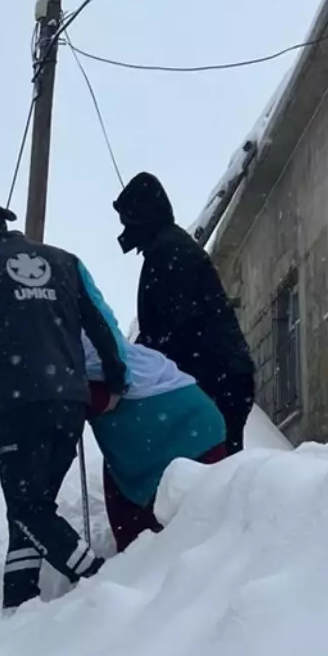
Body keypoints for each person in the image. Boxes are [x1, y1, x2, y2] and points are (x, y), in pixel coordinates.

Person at [0, 188, 128, 610]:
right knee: (34, 506)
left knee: (28, 508)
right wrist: (116, 380)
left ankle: (95, 578)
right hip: (69, 403)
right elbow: (104, 324)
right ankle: (19, 600)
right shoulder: (67, 263)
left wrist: (1, 375)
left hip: (18, 406)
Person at [113, 171, 257, 453]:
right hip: (223, 380)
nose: (126, 231)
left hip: (214, 382)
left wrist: (133, 367)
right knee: (214, 473)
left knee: (209, 477)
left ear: (142, 218)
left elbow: (169, 330)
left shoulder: (168, 253)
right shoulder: (170, 247)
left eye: (128, 220)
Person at [80, 324, 227, 552]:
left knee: (195, 532)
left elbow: (105, 397)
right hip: (199, 422)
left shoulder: (87, 365)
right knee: (204, 528)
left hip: (187, 435)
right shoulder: (113, 350)